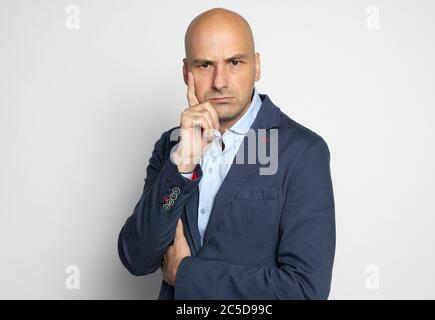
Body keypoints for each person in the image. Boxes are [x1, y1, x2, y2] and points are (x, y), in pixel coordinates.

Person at [118, 7, 336, 299]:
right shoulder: (171, 147)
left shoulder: (302, 152)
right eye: (205, 65)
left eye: (235, 62)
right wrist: (182, 166)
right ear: (186, 72)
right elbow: (136, 257)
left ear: (256, 66)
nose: (220, 81)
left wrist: (187, 274)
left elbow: (305, 291)